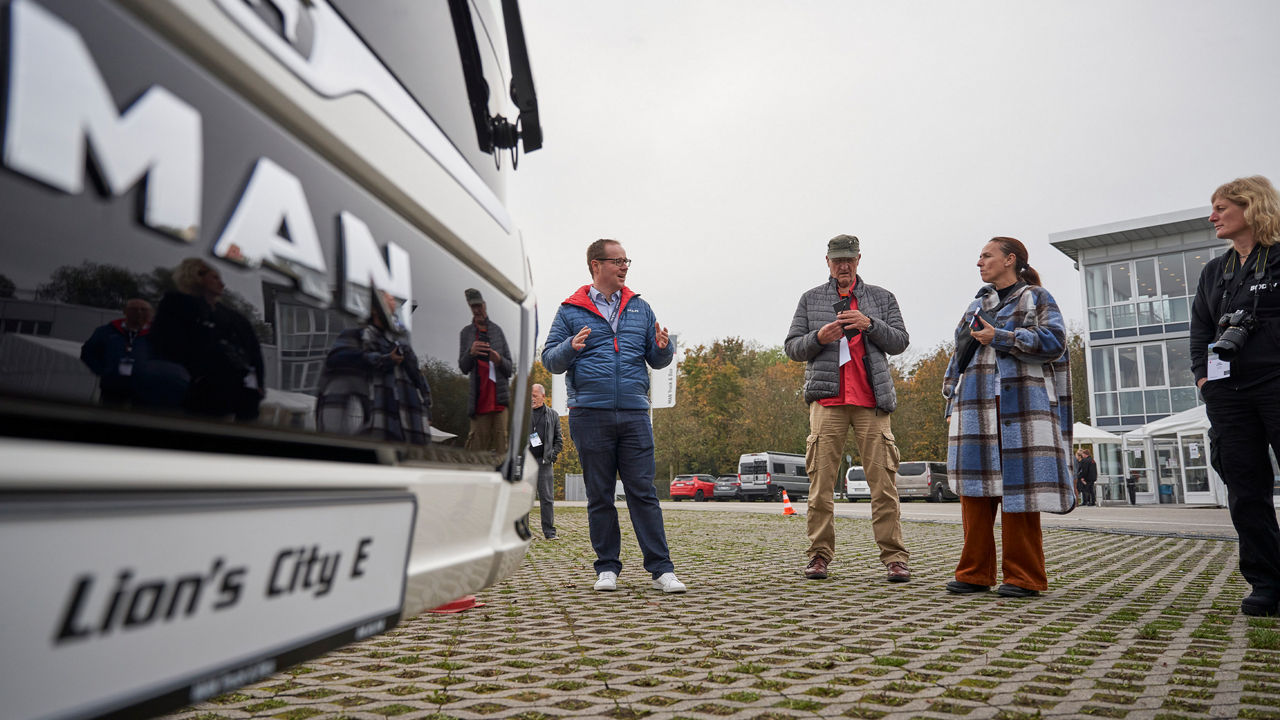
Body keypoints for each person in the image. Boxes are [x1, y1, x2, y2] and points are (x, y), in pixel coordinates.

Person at [542, 238, 685, 593]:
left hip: (635, 414)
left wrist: (665, 348)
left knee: (643, 492)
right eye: (618, 261)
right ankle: (607, 568)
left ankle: (662, 570)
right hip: (589, 414)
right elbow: (549, 360)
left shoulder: (640, 308)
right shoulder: (569, 311)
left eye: (627, 261)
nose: (624, 267)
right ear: (596, 265)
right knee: (600, 494)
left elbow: (656, 359)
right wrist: (569, 346)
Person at [942, 237, 1074, 599]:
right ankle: (973, 573)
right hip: (975, 404)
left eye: (987, 255)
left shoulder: (1037, 297)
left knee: (1020, 489)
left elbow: (1056, 341)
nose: (980, 261)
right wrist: (951, 393)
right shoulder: (977, 302)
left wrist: (999, 336)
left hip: (1021, 404)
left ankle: (1024, 577)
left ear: (1010, 260)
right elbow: (961, 350)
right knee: (974, 490)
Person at [784, 234, 911, 583]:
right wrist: (819, 338)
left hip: (872, 402)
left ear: (859, 260)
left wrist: (869, 323)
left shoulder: (881, 298)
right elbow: (792, 348)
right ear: (826, 261)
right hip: (827, 403)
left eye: (849, 259)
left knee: (884, 486)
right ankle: (819, 556)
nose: (843, 265)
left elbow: (901, 341)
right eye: (837, 260)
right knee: (820, 486)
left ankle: (895, 559)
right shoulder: (811, 300)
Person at [1190, 175, 1280, 618]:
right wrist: (1204, 382)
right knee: (1245, 490)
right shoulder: (1215, 272)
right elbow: (1200, 334)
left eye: (1221, 208)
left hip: (1277, 385)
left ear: (1251, 207)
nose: (1213, 217)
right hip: (1229, 395)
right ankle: (1266, 583)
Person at [150, 258, 264, 421]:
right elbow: (166, 346)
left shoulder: (234, 318)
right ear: (196, 277)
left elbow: (254, 352)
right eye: (215, 278)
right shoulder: (176, 307)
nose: (222, 284)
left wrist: (257, 385)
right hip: (188, 400)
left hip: (235, 400)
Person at [317, 290, 432, 445]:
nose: (393, 302)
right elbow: (336, 360)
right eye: (387, 299)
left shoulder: (402, 344)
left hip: (410, 436)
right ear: (373, 309)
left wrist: (427, 407)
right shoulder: (357, 335)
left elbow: (418, 378)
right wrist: (383, 360)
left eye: (393, 300)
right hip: (375, 432)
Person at [459, 288, 513, 453]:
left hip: (499, 404)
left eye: (479, 306)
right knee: (474, 452)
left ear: (484, 305)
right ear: (469, 307)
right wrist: (471, 353)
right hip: (479, 404)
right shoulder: (466, 333)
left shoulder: (497, 331)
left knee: (501, 450)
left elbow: (510, 368)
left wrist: (498, 360)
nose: (477, 310)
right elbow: (462, 367)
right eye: (473, 306)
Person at [80, 298, 153, 406]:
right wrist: (102, 370)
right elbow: (88, 352)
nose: (139, 313)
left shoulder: (157, 335)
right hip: (112, 387)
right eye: (134, 309)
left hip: (143, 389)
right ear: (125, 311)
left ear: (151, 313)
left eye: (144, 310)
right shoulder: (106, 331)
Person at [529, 383, 564, 540]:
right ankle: (522, 533)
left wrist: (552, 455)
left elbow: (559, 440)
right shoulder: (523, 414)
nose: (532, 399)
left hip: (544, 463)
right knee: (523, 499)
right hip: (526, 463)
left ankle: (549, 533)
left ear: (543, 396)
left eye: (535, 395)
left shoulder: (553, 415)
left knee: (547, 499)